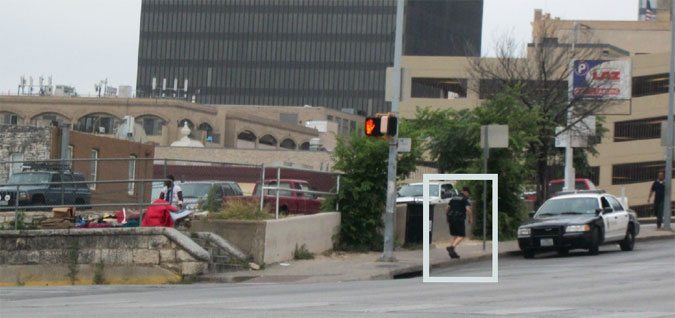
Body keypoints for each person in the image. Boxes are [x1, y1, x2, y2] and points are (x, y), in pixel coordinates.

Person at [446, 187, 472, 259]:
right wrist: (470, 219)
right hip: (459, 219)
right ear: (466, 192)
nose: (468, 195)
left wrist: (447, 218)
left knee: (455, 235)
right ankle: (452, 247)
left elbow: (447, 208)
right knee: (461, 235)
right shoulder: (465, 199)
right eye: (468, 194)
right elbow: (468, 209)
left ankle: (452, 253)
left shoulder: (453, 198)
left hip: (451, 218)